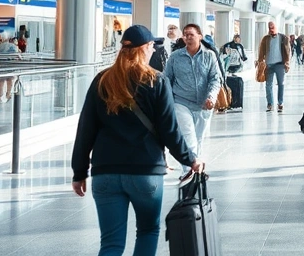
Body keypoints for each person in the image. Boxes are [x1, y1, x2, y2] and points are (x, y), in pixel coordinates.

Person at [71, 24, 205, 256]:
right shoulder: (156, 81)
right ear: (144, 49)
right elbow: (169, 130)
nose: (154, 50)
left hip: (106, 172)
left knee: (111, 243)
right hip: (146, 172)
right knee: (147, 231)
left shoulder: (102, 81)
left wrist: (79, 171)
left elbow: (85, 130)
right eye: (152, 45)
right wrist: (190, 159)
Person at [163, 24, 222, 161]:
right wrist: (168, 101)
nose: (188, 37)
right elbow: (167, 79)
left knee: (198, 138)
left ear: (200, 36)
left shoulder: (209, 56)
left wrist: (211, 97)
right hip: (181, 102)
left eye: (191, 34)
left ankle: (195, 166)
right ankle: (188, 170)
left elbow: (215, 79)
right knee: (188, 137)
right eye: (185, 35)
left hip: (204, 105)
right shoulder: (175, 57)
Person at [257, 22, 291, 113]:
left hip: (280, 64)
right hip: (269, 65)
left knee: (281, 84)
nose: (271, 29)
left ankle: (280, 103)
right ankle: (270, 104)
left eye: (273, 27)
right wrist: (260, 61)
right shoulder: (266, 39)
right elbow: (261, 51)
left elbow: (288, 51)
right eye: (269, 28)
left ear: (276, 27)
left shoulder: (283, 38)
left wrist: (287, 63)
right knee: (268, 85)